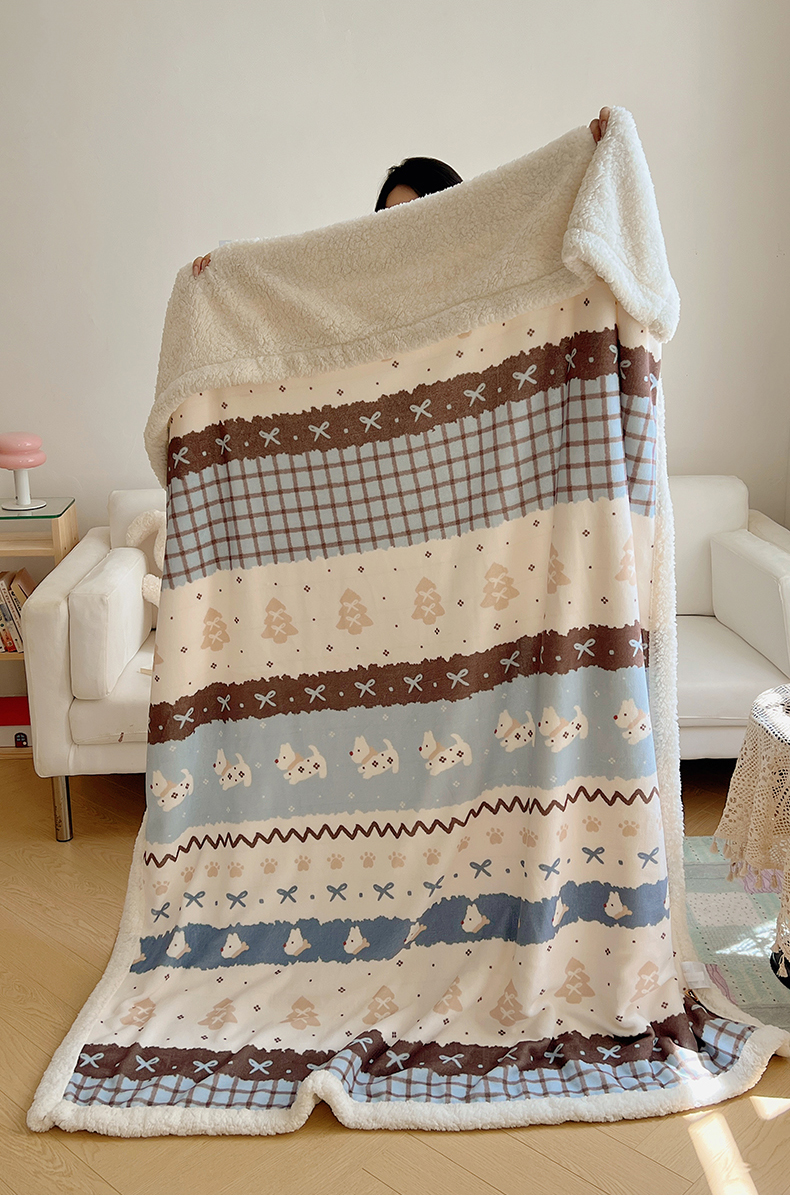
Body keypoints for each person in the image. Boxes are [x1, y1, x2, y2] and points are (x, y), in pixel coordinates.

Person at [192, 108, 610, 276]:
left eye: (422, 213)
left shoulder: (490, 268)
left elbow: (543, 217)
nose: (407, 229)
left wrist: (587, 158)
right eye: (393, 219)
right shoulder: (374, 284)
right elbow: (299, 274)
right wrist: (230, 271)